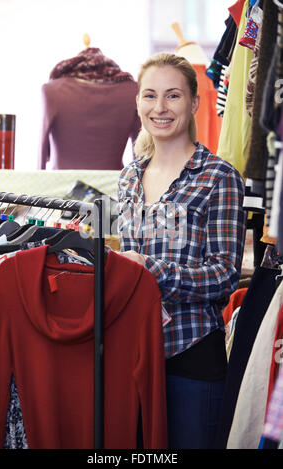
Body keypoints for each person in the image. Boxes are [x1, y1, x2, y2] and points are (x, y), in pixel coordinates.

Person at [117, 52, 247, 449]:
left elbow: (224, 274)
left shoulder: (220, 178)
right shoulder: (127, 177)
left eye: (172, 96)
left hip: (191, 356)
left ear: (193, 103)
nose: (160, 108)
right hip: (132, 352)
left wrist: (149, 269)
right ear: (138, 102)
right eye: (150, 96)